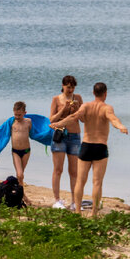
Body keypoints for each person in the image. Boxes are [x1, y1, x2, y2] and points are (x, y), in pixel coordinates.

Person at [50, 82, 127, 217]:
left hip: (86, 146)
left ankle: (78, 211)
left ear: (93, 93)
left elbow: (73, 117)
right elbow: (113, 119)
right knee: (97, 182)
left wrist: (58, 124)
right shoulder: (107, 108)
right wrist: (120, 126)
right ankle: (94, 213)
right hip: (100, 147)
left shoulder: (86, 106)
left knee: (80, 180)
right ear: (105, 94)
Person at [48, 75, 83, 209]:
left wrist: (78, 110)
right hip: (60, 136)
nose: (70, 90)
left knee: (74, 171)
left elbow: (83, 119)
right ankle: (57, 200)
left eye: (73, 87)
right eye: (68, 87)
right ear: (63, 86)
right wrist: (64, 109)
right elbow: (51, 119)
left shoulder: (78, 98)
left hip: (74, 136)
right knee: (58, 169)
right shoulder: (56, 99)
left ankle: (74, 201)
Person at [9, 101, 32, 193]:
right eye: (15, 115)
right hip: (15, 152)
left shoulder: (28, 122)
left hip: (26, 151)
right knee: (20, 174)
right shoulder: (11, 123)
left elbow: (36, 133)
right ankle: (21, 194)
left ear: (24, 113)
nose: (17, 117)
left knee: (20, 175)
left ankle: (19, 192)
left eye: (19, 115)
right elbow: (1, 134)